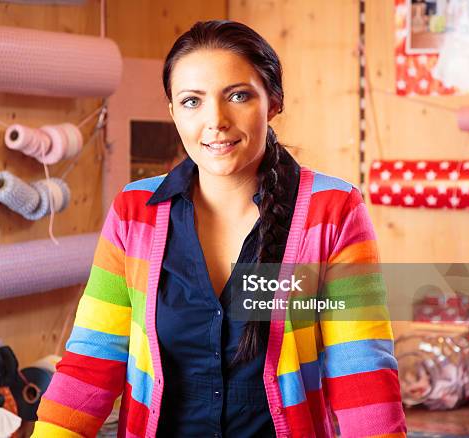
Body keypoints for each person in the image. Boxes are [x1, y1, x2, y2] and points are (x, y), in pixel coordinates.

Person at [32, 20, 407, 438]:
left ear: (274, 102)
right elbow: (92, 361)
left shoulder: (332, 211)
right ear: (173, 111)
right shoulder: (134, 211)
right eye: (192, 101)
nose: (215, 121)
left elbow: (362, 372)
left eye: (239, 96)